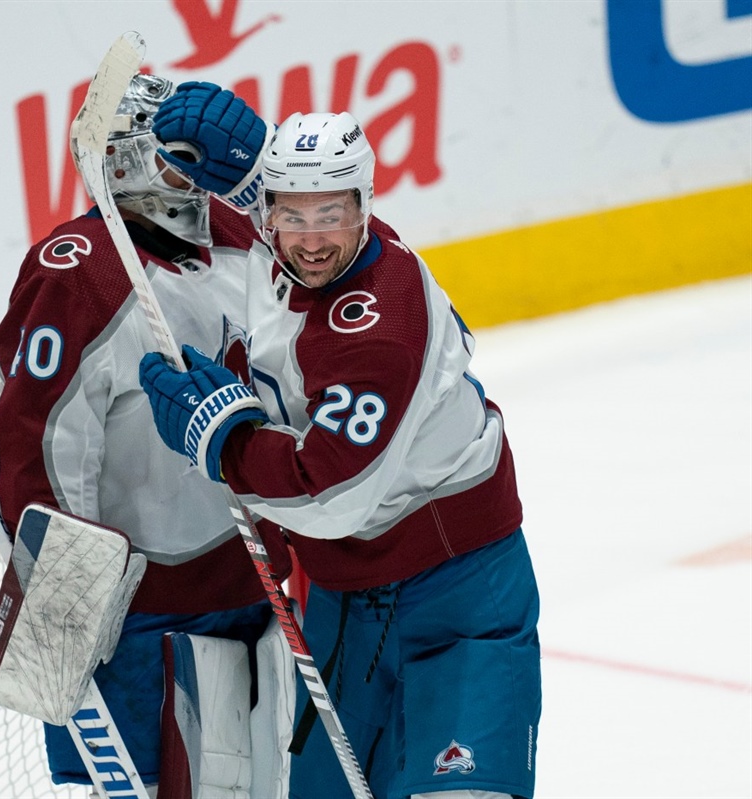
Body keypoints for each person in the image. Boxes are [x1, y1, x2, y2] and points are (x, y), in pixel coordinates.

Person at [140, 84, 542, 799]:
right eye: (291, 213)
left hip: (457, 595)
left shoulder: (377, 328)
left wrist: (221, 440)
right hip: (345, 601)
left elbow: (330, 495)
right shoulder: (293, 243)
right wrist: (240, 167)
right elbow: (288, 214)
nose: (312, 236)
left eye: (333, 213)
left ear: (365, 208)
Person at [0, 73, 293, 796]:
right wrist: (65, 614)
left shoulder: (241, 237)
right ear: (122, 160)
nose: (193, 175)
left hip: (263, 585)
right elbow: (36, 449)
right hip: (144, 623)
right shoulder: (79, 275)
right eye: (175, 156)